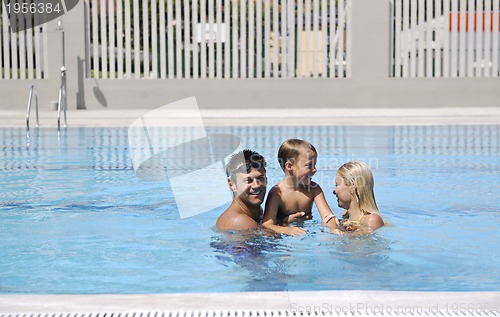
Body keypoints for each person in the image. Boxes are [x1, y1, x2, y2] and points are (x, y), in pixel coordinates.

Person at [262, 139, 339, 236]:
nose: (314, 170)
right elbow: (267, 225)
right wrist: (287, 229)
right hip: (284, 239)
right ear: (289, 166)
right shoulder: (277, 193)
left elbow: (328, 216)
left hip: (307, 233)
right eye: (309, 165)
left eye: (315, 164)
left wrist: (333, 229)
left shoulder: (314, 189)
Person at [216, 149, 267, 231]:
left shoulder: (257, 211)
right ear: (232, 184)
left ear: (266, 180)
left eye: (260, 178)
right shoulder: (240, 221)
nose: (256, 185)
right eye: (248, 180)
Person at [333, 160, 385, 234]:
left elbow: (363, 243)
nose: (334, 191)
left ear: (352, 185)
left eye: (337, 185)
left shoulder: (372, 220)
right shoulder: (345, 217)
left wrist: (334, 231)